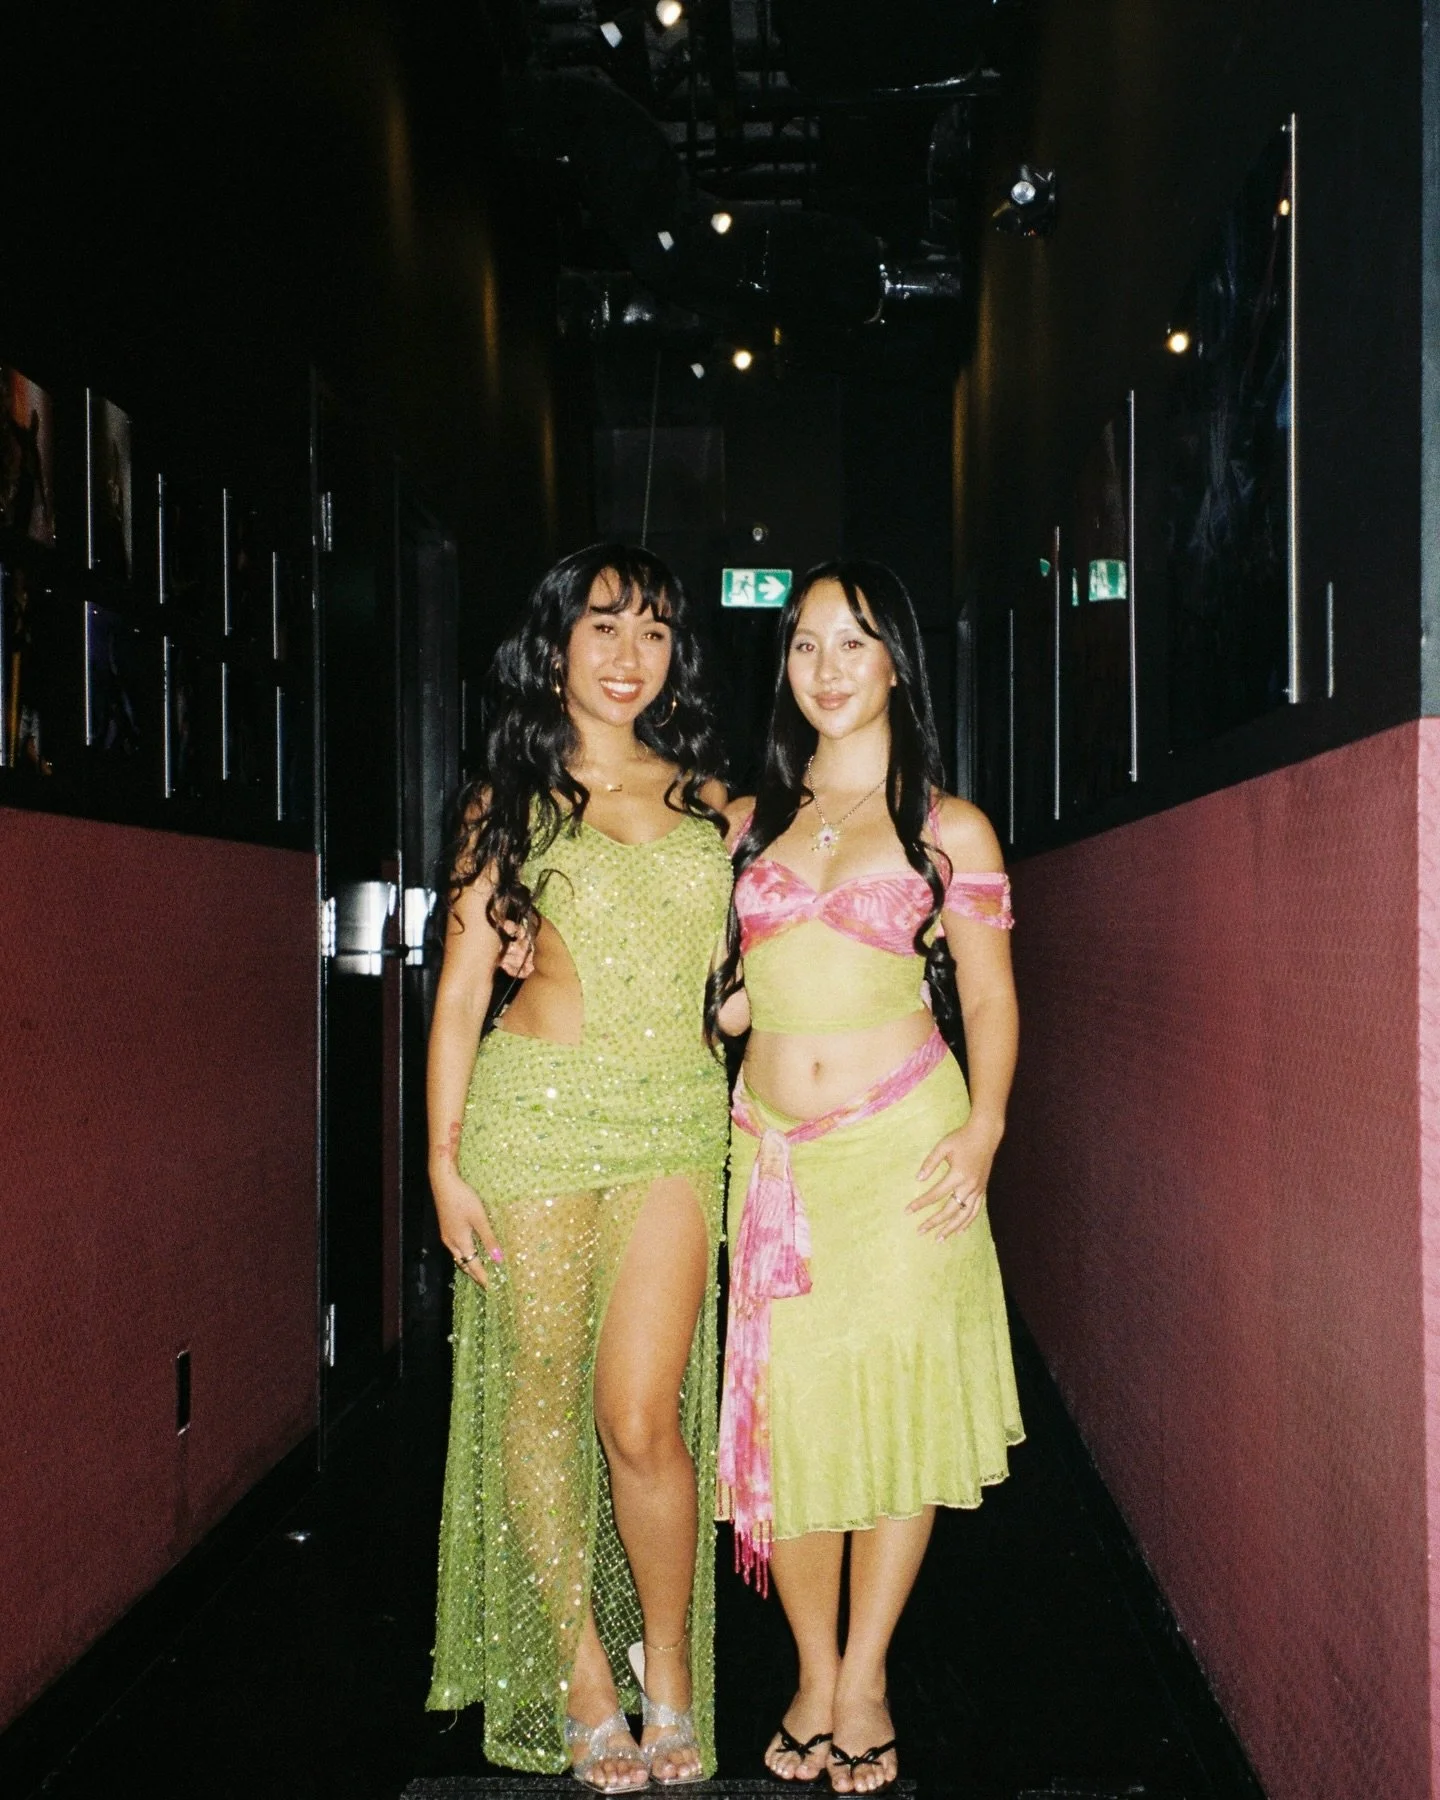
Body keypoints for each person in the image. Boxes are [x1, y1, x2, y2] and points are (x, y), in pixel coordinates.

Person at [712, 560, 1023, 1795]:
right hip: (773, 1162)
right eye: (804, 644)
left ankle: (865, 1678)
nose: (826, 668)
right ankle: (809, 1669)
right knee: (791, 1418)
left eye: (853, 642)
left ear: (897, 658)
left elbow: (988, 999)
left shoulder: (951, 829)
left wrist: (985, 1129)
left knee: (895, 1403)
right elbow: (723, 988)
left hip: (904, 1153)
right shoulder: (749, 824)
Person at [426, 544, 733, 1790]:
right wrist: (442, 1162)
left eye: (653, 630)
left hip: (676, 1123)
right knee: (541, 1405)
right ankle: (585, 1681)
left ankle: (673, 1677)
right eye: (603, 624)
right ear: (553, 641)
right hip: (534, 1122)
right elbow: (460, 996)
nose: (627, 654)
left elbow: (754, 966)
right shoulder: (505, 800)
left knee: (640, 1416)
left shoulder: (712, 804)